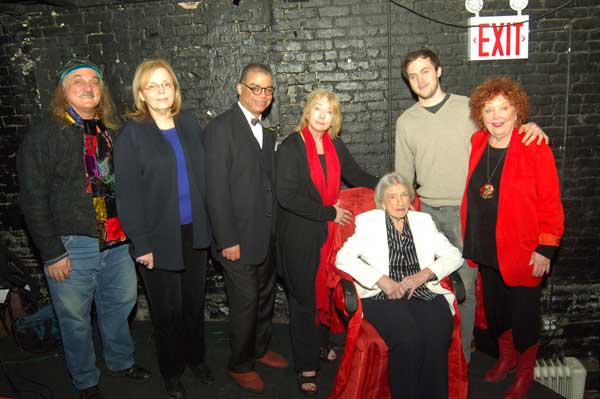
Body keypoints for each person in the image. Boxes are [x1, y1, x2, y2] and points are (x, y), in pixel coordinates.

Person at [394, 48, 548, 362]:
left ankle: (461, 359)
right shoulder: (406, 121)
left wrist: (530, 128)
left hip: (466, 214)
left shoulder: (469, 109)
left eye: (425, 71)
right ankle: (433, 354)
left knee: (465, 289)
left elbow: (505, 132)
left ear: (438, 71)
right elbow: (403, 178)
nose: (420, 79)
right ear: (408, 82)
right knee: (428, 286)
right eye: (413, 75)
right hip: (426, 215)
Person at [17, 59, 151, 399]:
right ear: (63, 90)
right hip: (72, 244)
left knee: (121, 304)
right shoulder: (45, 134)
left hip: (117, 241)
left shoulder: (112, 129)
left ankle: (121, 361)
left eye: (94, 80)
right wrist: (51, 252)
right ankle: (86, 380)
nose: (88, 85)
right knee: (74, 319)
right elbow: (33, 198)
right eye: (78, 80)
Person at [113, 59, 213, 399]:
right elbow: (126, 195)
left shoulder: (188, 121)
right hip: (157, 237)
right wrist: (141, 243)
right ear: (141, 93)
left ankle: (195, 358)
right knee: (166, 312)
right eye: (152, 85)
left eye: (166, 84)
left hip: (194, 231)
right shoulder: (132, 133)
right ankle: (172, 371)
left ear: (175, 90)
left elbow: (202, 177)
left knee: (193, 304)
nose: (160, 91)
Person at [461, 77, 564, 399]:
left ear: (517, 110)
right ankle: (505, 359)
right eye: (489, 109)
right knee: (496, 314)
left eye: (503, 107)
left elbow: (550, 202)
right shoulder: (478, 142)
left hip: (523, 251)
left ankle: (524, 373)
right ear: (481, 114)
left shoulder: (534, 146)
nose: (496, 115)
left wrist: (546, 248)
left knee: (523, 318)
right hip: (487, 247)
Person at [275, 89, 378, 396]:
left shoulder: (334, 144)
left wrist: (390, 184)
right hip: (297, 235)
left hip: (325, 233)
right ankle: (305, 365)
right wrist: (329, 211)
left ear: (335, 117)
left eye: (329, 111)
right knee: (304, 302)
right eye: (317, 109)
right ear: (308, 112)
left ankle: (319, 345)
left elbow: (356, 174)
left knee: (323, 292)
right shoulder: (292, 146)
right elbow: (287, 196)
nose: (322, 115)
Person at [335, 172, 463, 399]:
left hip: (422, 290)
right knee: (408, 340)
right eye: (392, 196)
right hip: (383, 295)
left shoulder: (423, 222)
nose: (400, 202)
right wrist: (380, 279)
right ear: (382, 202)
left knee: (437, 336)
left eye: (404, 195)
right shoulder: (368, 223)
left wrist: (424, 274)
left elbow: (454, 255)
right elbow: (343, 258)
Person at [203, 63, 288, 394]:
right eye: (256, 88)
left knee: (265, 298)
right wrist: (227, 239)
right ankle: (239, 364)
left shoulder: (265, 132)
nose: (262, 95)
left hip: (264, 236)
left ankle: (259, 348)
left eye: (268, 90)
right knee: (246, 302)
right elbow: (215, 189)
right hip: (235, 240)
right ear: (239, 89)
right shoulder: (220, 129)